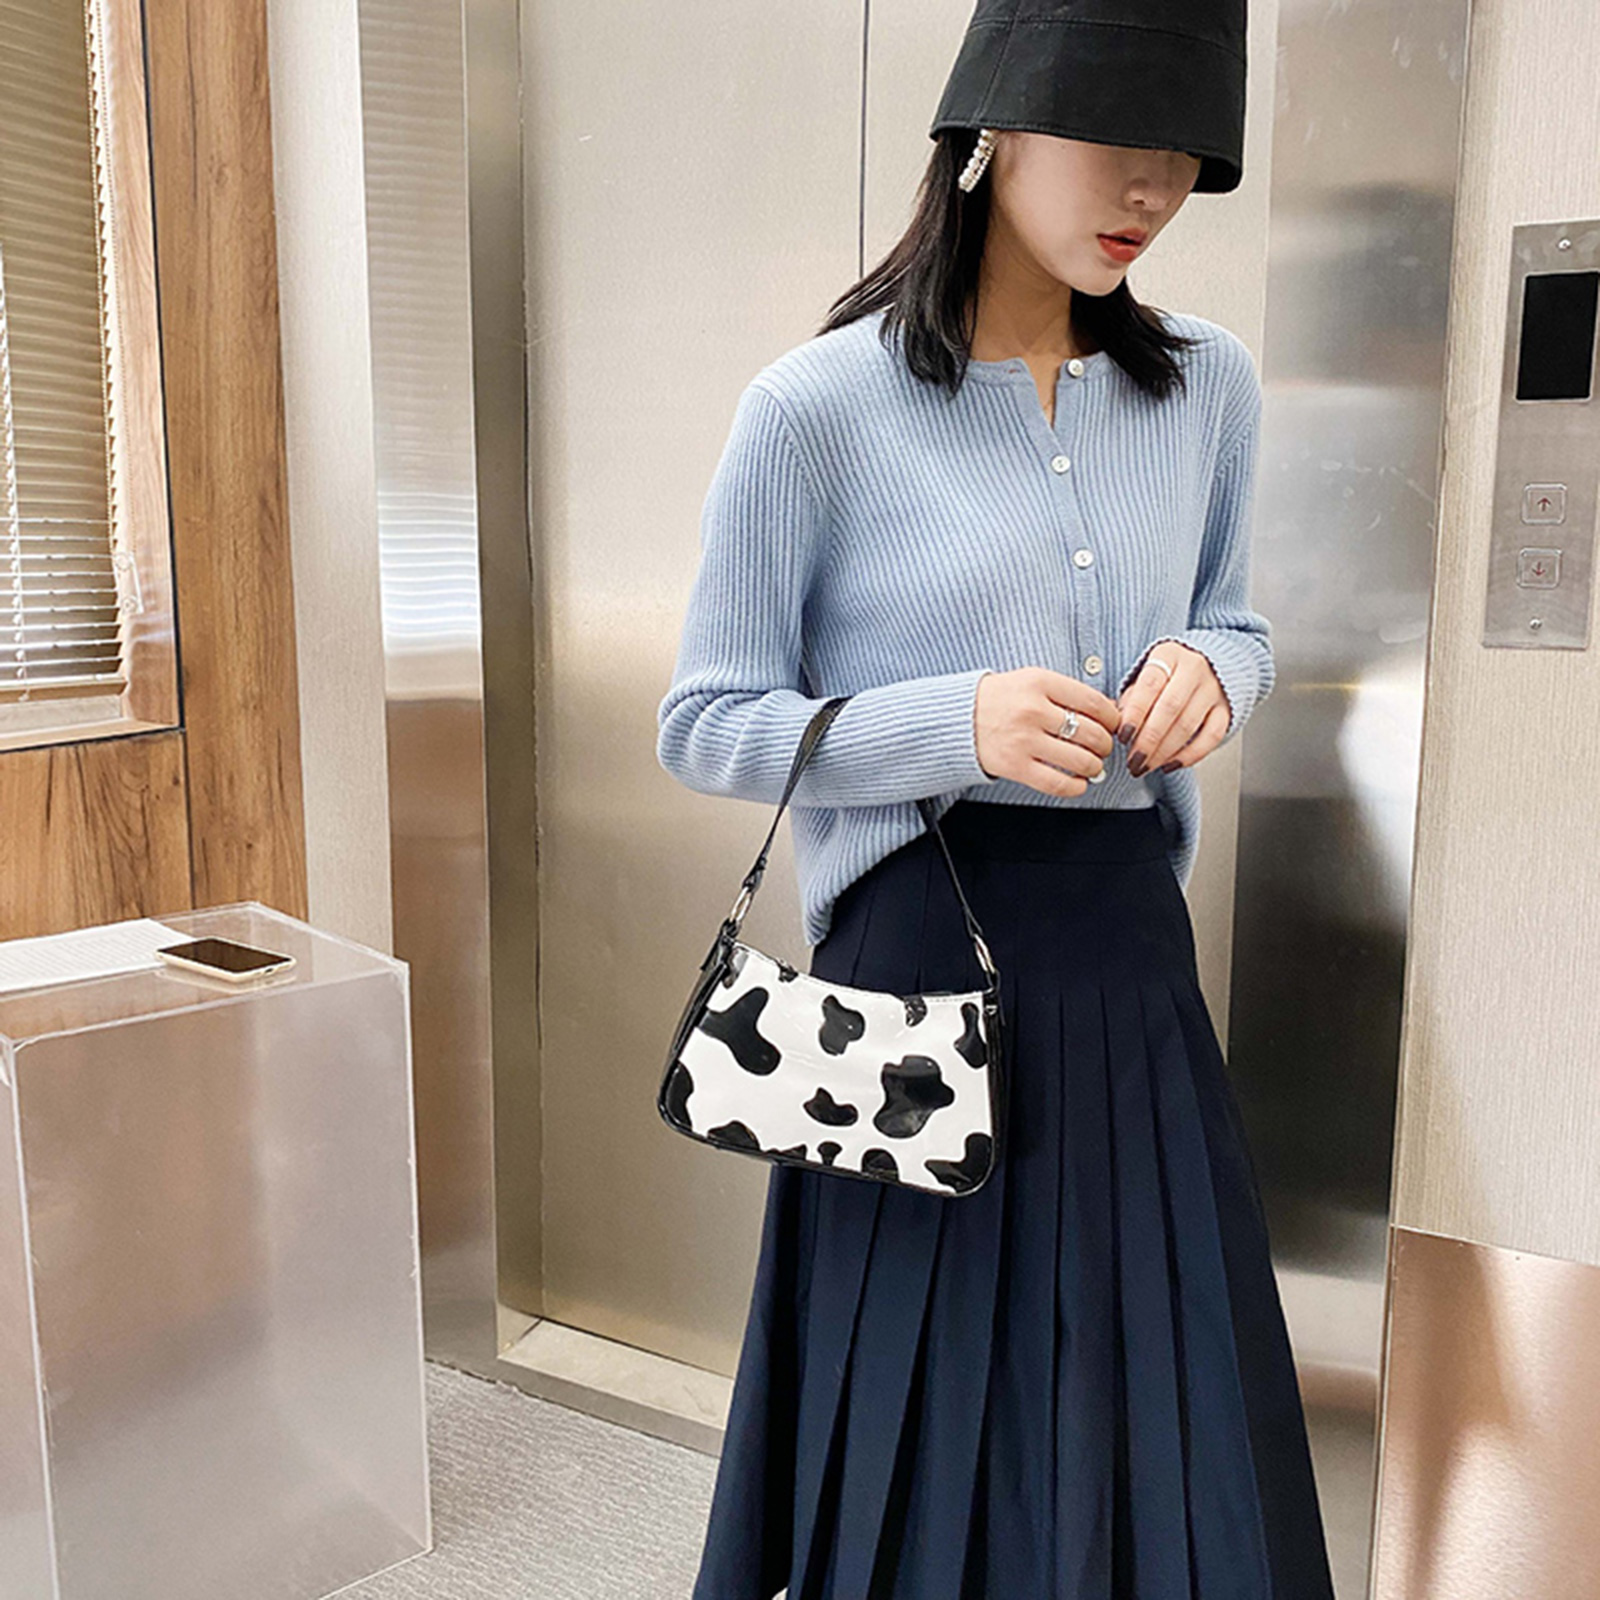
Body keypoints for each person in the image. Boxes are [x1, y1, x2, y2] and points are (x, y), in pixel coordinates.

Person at [655, 1, 1337, 1594]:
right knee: (927, 1426)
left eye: (1186, 156)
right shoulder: (814, 410)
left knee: (1150, 1394)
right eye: (1119, 143)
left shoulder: (1209, 388)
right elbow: (707, 725)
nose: (1152, 189)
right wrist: (950, 724)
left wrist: (1217, 673)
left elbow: (1237, 619)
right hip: (914, 968)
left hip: (1129, 966)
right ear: (998, 130)